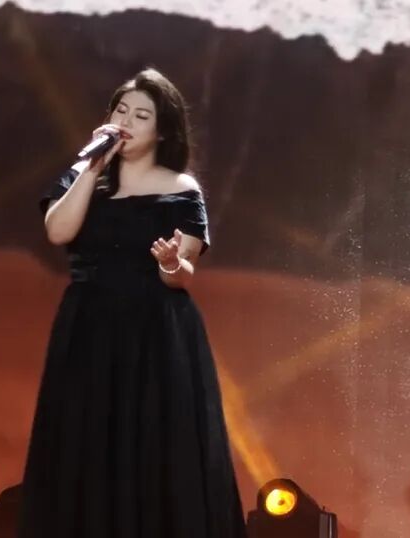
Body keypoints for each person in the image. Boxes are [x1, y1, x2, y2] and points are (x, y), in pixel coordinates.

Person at [18, 68, 247, 538]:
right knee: (84, 444)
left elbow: (181, 275)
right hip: (88, 327)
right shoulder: (83, 176)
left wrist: (169, 264)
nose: (126, 121)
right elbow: (58, 231)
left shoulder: (181, 189)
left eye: (141, 116)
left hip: (156, 333)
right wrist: (91, 169)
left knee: (155, 451)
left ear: (162, 131)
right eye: (121, 110)